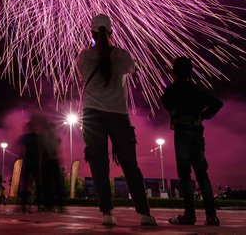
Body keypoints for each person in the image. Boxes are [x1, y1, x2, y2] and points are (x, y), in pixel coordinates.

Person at [77, 14, 157, 227]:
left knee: (98, 163)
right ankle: (145, 213)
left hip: (92, 113)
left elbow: (84, 76)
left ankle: (106, 213)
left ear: (91, 33)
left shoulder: (84, 56)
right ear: (111, 32)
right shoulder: (121, 55)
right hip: (117, 113)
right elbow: (134, 68)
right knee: (130, 164)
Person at [161, 56, 223, 226]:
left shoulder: (171, 90)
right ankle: (211, 216)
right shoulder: (196, 90)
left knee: (185, 175)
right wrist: (203, 116)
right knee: (203, 175)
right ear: (191, 72)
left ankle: (189, 215)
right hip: (197, 133)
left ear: (173, 72)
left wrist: (175, 114)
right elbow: (217, 103)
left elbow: (165, 102)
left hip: (181, 134)